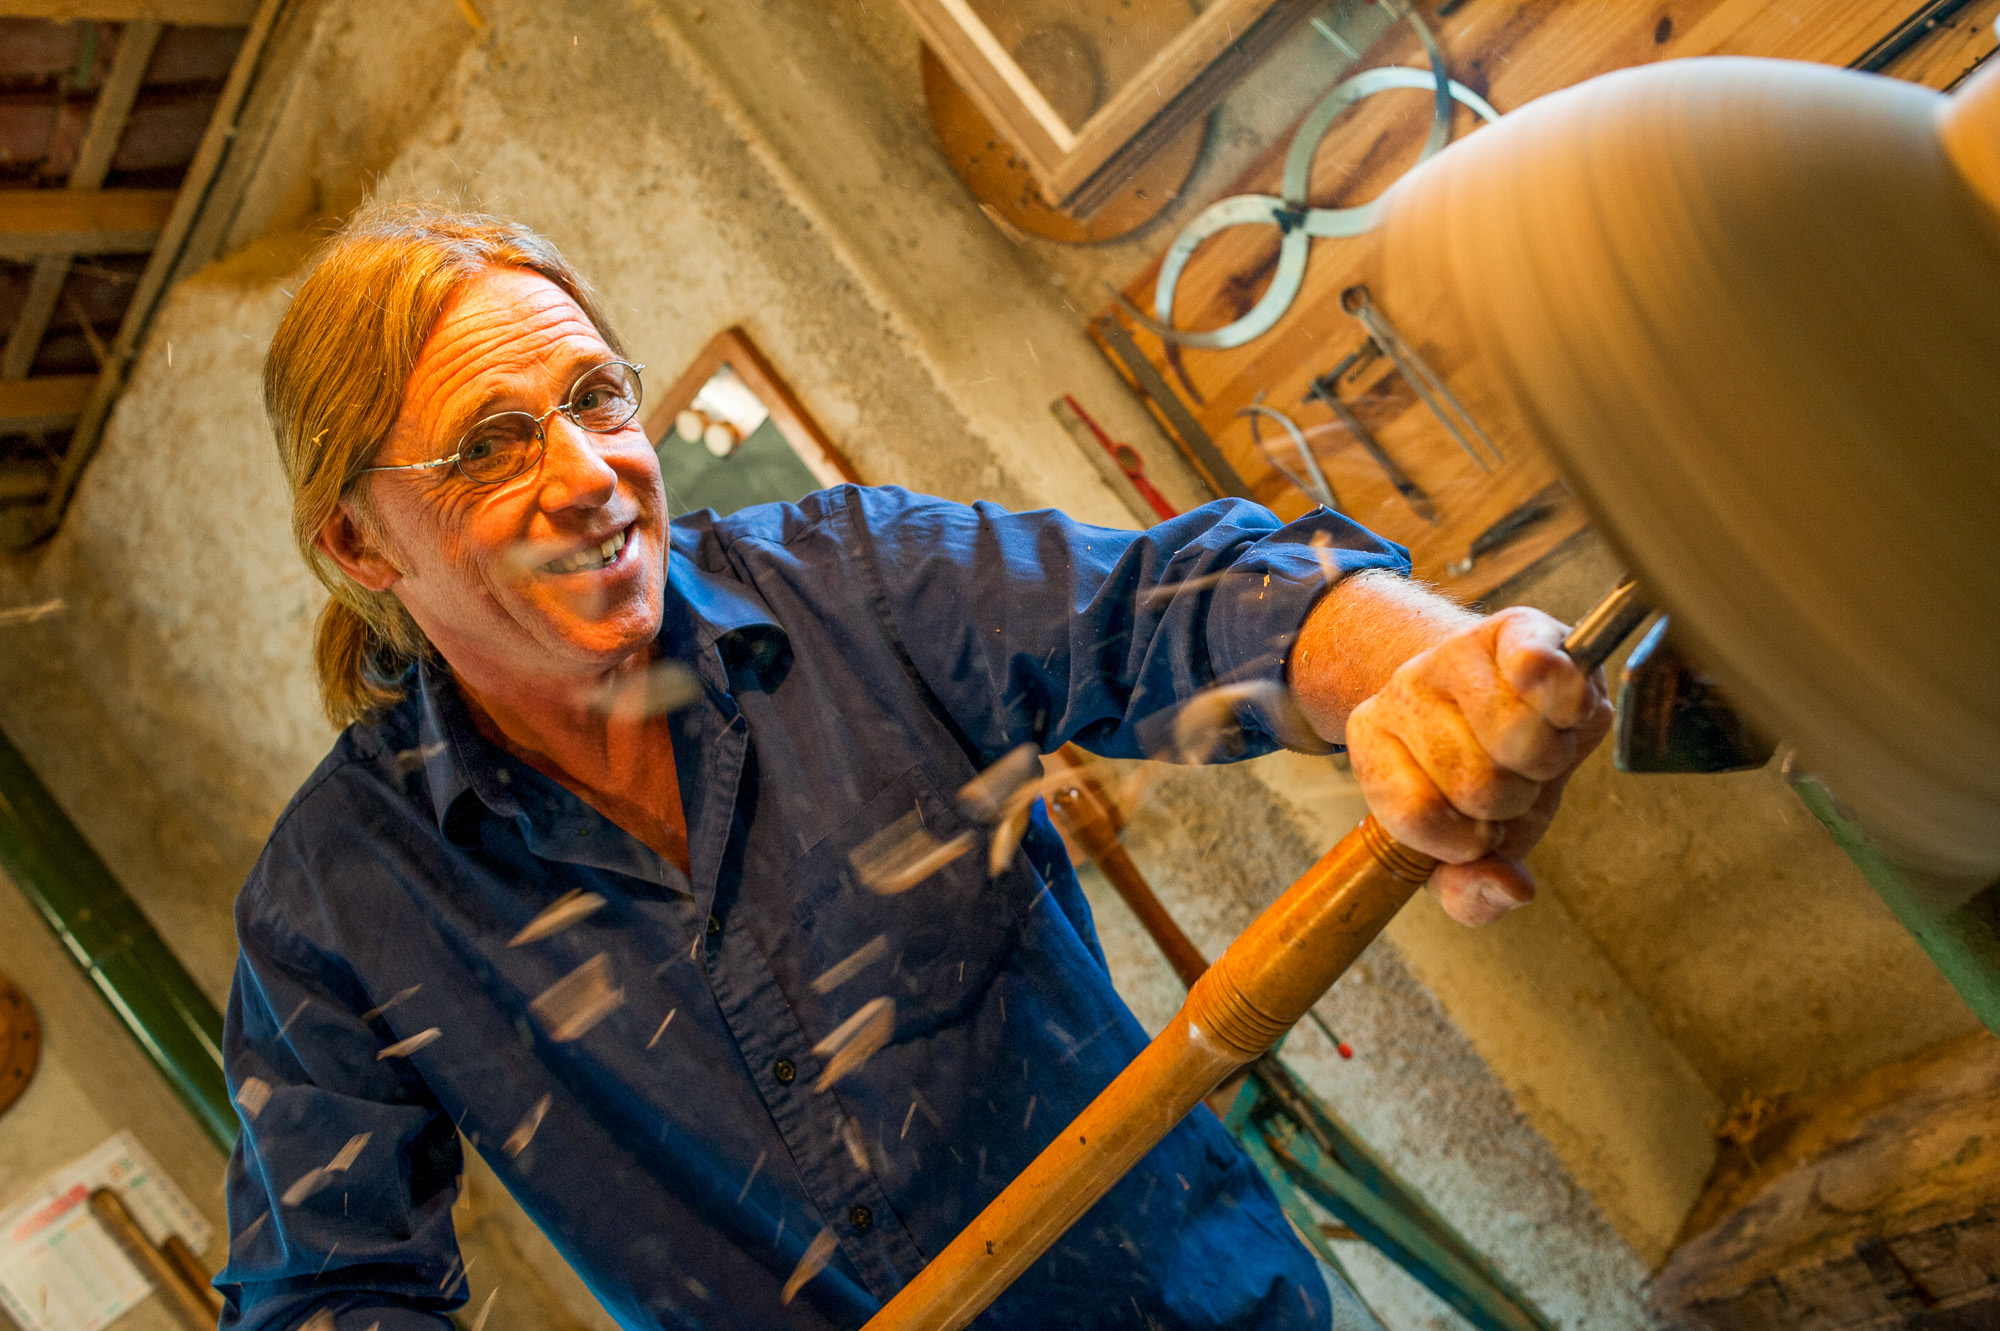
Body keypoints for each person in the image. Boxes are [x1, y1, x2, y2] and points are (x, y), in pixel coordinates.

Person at [217, 205, 1610, 1331]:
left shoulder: (856, 582)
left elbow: (1173, 607)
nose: (589, 475)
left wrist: (1423, 666)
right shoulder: (338, 910)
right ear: (360, 545)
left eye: (594, 396)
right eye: (492, 445)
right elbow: (330, 1294)